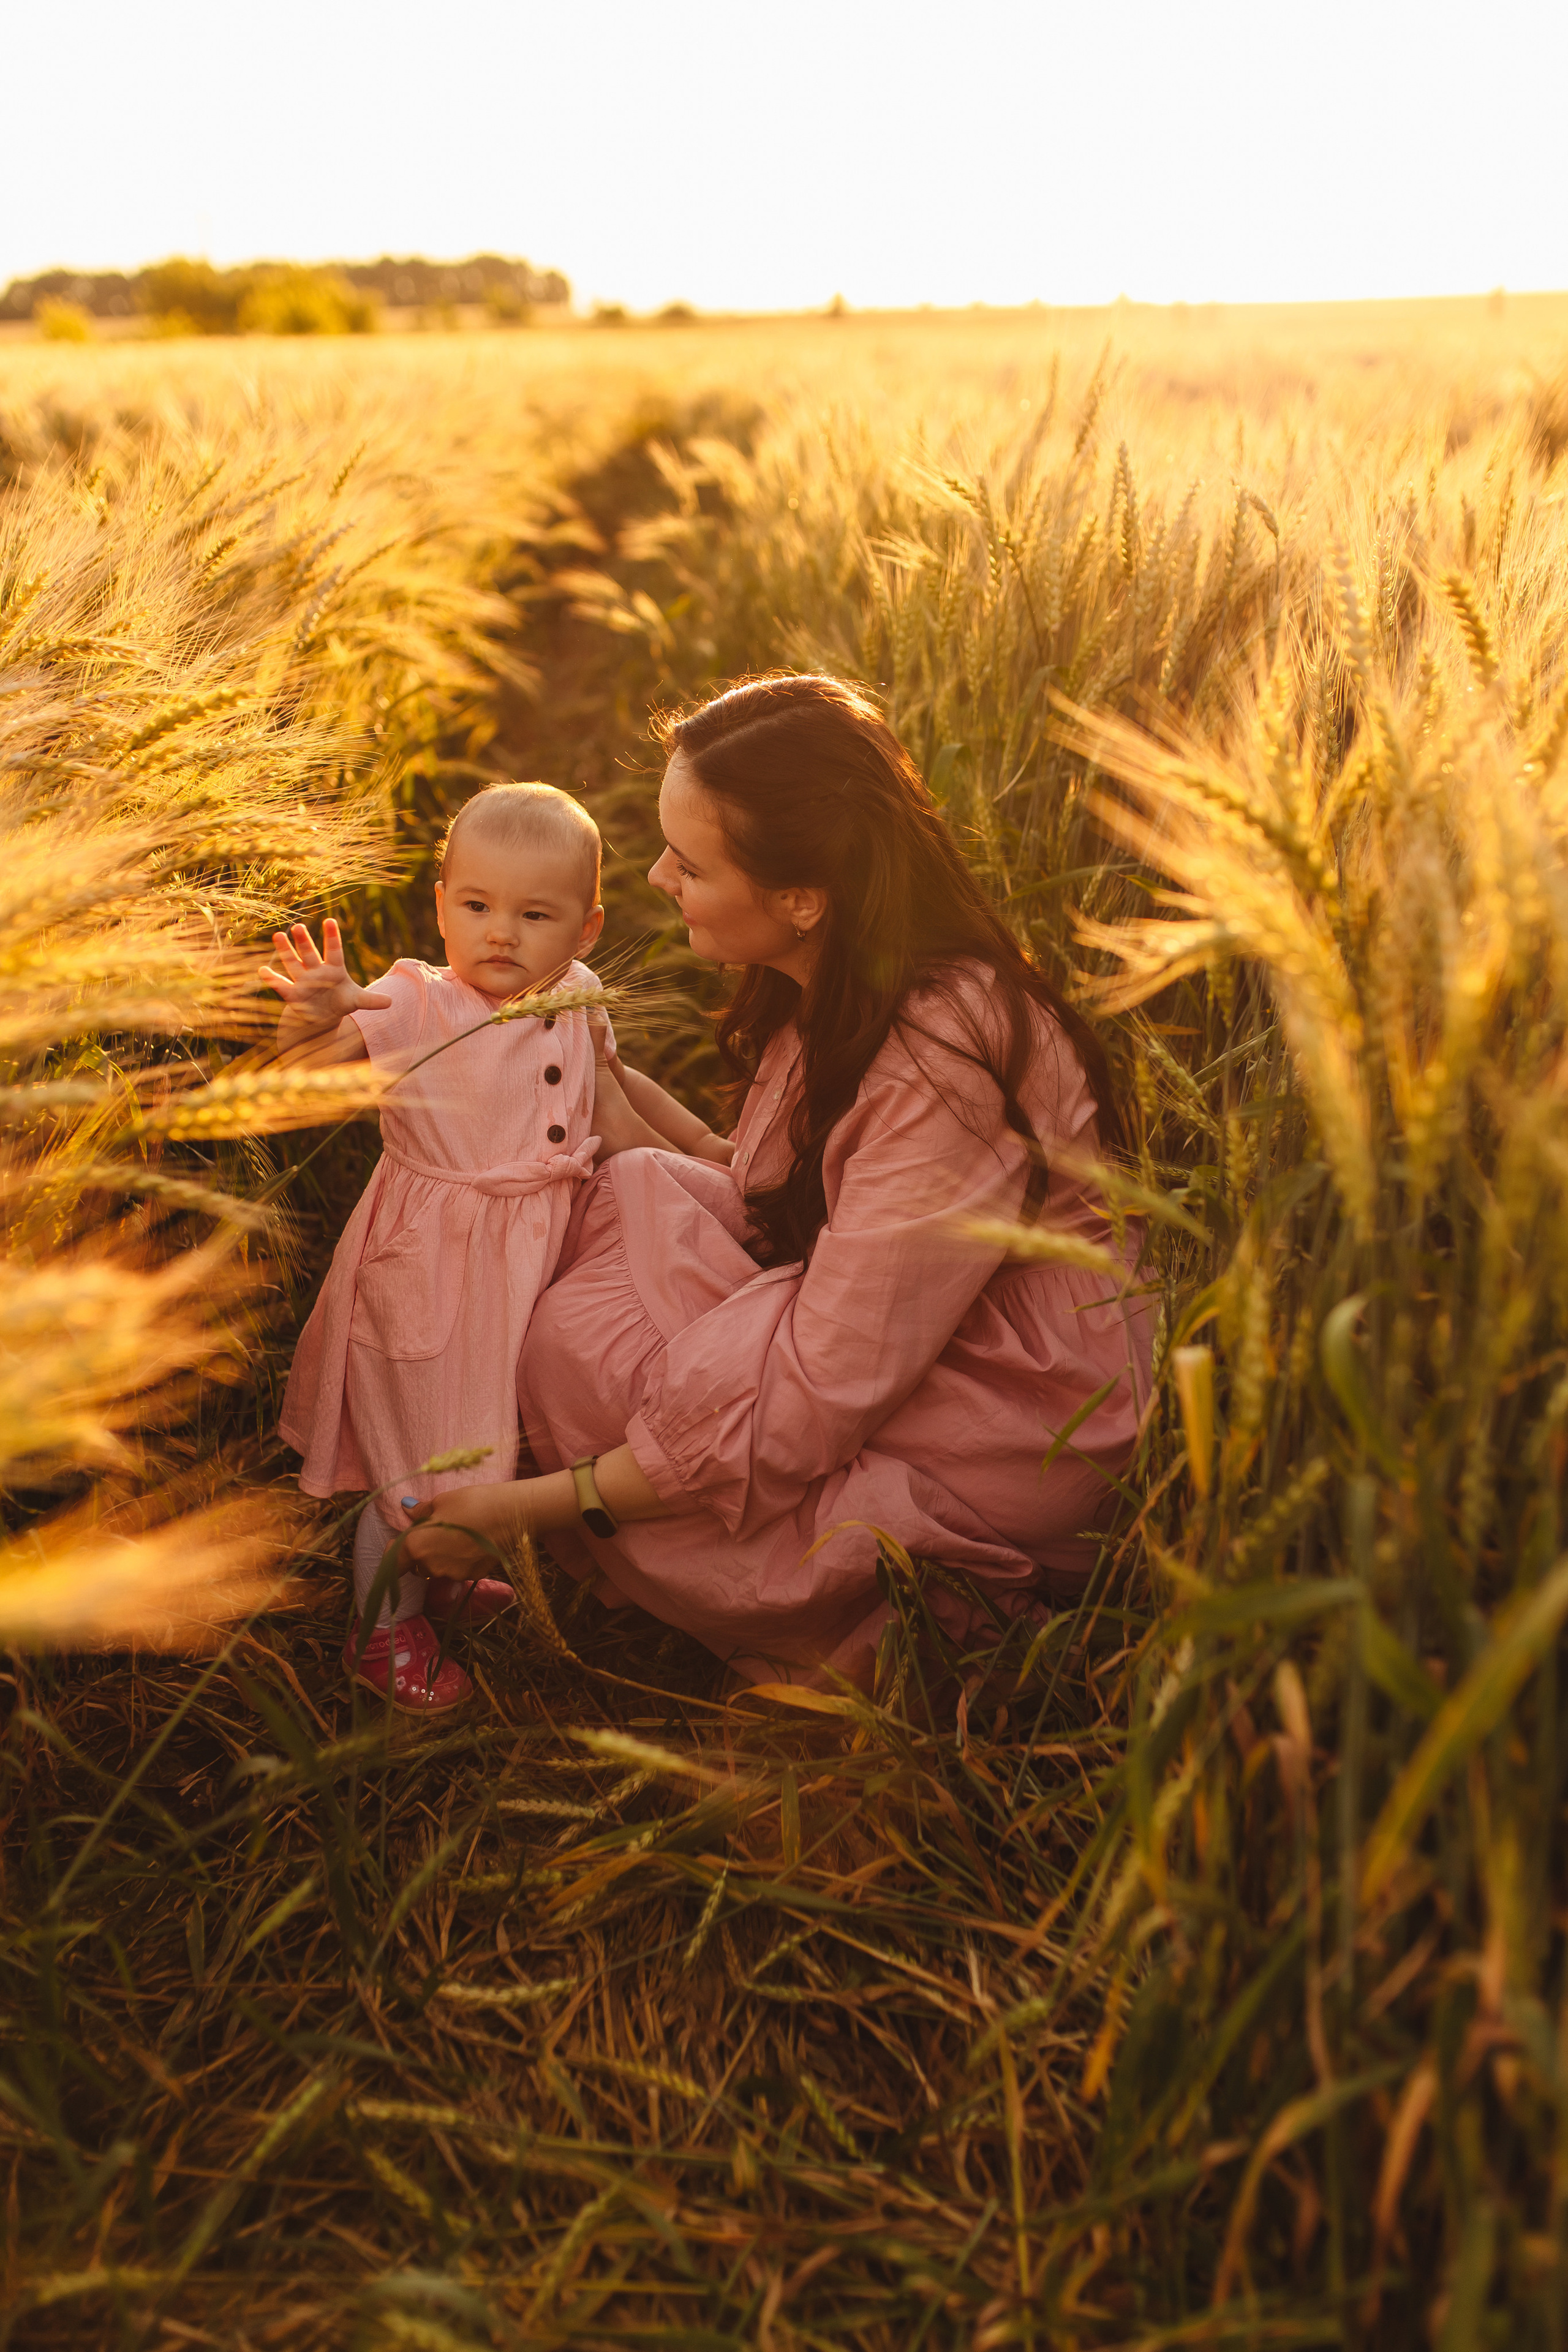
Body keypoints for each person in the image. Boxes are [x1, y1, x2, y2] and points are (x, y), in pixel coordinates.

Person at [405, 677, 1154, 1692]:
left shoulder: (943, 1060)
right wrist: (601, 1098)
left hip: (1012, 1423)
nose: (659, 876)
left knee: (600, 1351)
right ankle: (690, 1545)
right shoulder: (845, 983)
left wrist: (532, 1509)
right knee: (609, 1230)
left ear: (802, 898)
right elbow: (768, 1193)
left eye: (691, 863)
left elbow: (821, 1386)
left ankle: (933, 1616)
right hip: (897, 1337)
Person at [265, 780, 727, 1711]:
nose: (501, 934)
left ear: (586, 930)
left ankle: (439, 1579)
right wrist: (312, 1020)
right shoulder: (413, 1004)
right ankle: (381, 1630)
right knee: (416, 1461)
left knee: (487, 1435)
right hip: (434, 1271)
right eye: (476, 907)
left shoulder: (578, 995)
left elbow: (614, 1097)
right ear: (441, 907)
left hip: (530, 1265)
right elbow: (294, 1081)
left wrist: (703, 1159)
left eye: (534, 914)